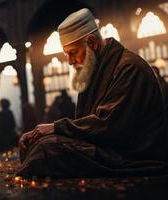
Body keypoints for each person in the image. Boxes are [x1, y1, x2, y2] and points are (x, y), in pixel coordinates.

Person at [18, 8, 168, 177]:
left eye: (73, 53)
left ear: (92, 43)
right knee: (39, 143)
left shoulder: (129, 67)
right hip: (109, 149)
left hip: (133, 157)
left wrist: (56, 128)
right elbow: (86, 125)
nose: (70, 61)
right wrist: (44, 132)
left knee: (49, 149)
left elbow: (109, 126)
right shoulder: (93, 71)